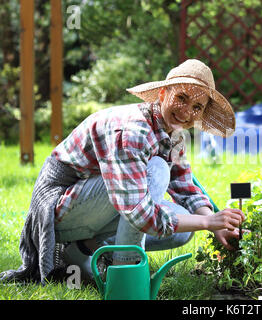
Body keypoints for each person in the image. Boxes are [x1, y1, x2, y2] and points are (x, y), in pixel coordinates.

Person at [0, 59, 245, 284]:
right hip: (57, 209)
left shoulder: (175, 135)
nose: (186, 111)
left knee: (183, 229)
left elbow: (184, 185)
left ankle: (83, 249)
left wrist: (213, 222)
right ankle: (125, 271)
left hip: (93, 207)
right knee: (158, 170)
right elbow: (140, 214)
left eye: (197, 107)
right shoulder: (134, 130)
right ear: (162, 93)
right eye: (181, 98)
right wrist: (207, 220)